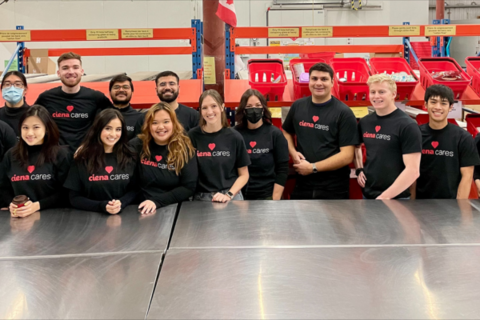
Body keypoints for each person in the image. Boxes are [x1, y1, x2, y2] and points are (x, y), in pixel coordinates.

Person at [282, 62, 358, 199]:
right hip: (303, 182)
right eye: (314, 78)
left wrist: (313, 167)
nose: (318, 83)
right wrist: (293, 152)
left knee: (332, 221)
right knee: (300, 220)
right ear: (308, 81)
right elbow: (286, 131)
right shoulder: (298, 107)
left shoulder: (343, 113)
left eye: (324, 79)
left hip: (333, 186)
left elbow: (347, 155)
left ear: (332, 82)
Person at [355, 74, 421, 199]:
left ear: (393, 94)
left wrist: (384, 197)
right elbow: (356, 146)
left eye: (382, 92)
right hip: (368, 194)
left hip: (397, 198)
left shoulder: (407, 125)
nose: (376, 96)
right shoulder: (365, 122)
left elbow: (413, 170)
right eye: (372, 92)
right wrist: (359, 169)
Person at [0, 105, 71, 218]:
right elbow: (3, 187)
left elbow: (67, 192)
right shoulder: (11, 155)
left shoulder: (61, 155)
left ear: (47, 129)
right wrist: (11, 204)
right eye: (25, 128)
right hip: (20, 221)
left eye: (36, 127)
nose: (30, 133)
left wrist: (37, 206)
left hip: (56, 219)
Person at [35, 52, 112, 153]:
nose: (71, 71)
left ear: (81, 71)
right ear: (58, 73)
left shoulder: (96, 97)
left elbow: (113, 120)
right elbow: (32, 122)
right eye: (65, 68)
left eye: (75, 67)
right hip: (55, 157)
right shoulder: (46, 98)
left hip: (86, 156)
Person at [64, 109, 137, 214]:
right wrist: (102, 206)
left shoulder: (130, 156)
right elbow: (74, 198)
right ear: (98, 129)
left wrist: (121, 203)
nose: (113, 134)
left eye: (118, 129)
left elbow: (135, 190)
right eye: (108, 128)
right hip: (89, 221)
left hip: (125, 220)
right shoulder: (82, 158)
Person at [412, 85, 480, 199]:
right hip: (420, 204)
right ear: (425, 104)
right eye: (433, 102)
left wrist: (459, 207)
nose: (438, 107)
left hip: (450, 204)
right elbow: (411, 173)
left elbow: (467, 177)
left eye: (443, 103)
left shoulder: (463, 138)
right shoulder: (415, 135)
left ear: (450, 107)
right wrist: (412, 203)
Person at [130, 102, 198, 214]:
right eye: (154, 122)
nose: (160, 127)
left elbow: (188, 187)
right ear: (148, 125)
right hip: (142, 209)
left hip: (176, 209)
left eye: (166, 121)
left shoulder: (184, 148)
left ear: (174, 124)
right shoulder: (137, 145)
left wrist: (156, 202)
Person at [188, 89, 250, 202]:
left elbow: (244, 175)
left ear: (222, 107)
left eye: (214, 106)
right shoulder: (192, 136)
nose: (209, 111)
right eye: (205, 108)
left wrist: (228, 195)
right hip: (201, 199)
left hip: (231, 196)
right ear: (200, 111)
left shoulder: (234, 137)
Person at [234, 89, 289, 200]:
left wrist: (275, 199)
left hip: (267, 195)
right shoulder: (234, 134)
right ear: (243, 110)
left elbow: (282, 169)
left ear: (263, 109)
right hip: (239, 196)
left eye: (258, 105)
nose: (254, 110)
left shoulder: (275, 134)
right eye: (249, 106)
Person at [134, 71, 199, 135]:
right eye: (162, 84)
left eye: (171, 83)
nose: (167, 87)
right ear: (156, 90)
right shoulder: (145, 118)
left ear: (178, 88)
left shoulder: (194, 116)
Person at [109, 75, 142, 140]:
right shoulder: (100, 115)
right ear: (110, 92)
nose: (121, 90)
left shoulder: (140, 118)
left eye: (125, 87)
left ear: (132, 92)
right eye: (116, 87)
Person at [0, 71, 30, 138]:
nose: (12, 88)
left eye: (18, 84)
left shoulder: (34, 115)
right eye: (7, 84)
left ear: (25, 90)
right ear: (1, 89)